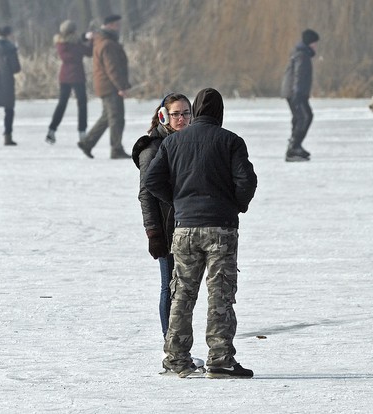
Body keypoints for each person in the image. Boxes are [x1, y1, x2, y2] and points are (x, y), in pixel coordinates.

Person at [144, 88, 257, 379]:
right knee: (220, 294)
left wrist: (179, 201)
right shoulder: (231, 141)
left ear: (194, 111)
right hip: (221, 229)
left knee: (182, 294)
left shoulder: (174, 142)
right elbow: (246, 181)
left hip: (184, 229)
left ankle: (176, 359)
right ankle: (220, 360)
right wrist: (235, 205)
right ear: (219, 113)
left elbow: (152, 180)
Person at [131, 93, 192, 339]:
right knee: (169, 286)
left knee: (185, 288)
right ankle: (171, 342)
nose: (181, 119)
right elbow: (146, 196)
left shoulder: (188, 143)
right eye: (176, 114)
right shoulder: (152, 149)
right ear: (163, 116)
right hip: (166, 228)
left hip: (189, 224)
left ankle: (181, 342)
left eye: (186, 113)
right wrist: (153, 233)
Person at [77, 14, 132, 159]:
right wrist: (121, 87)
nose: (119, 28)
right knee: (117, 118)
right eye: (117, 25)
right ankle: (116, 149)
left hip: (105, 85)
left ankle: (87, 143)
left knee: (107, 117)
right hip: (110, 86)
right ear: (110, 25)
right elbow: (112, 68)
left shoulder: (102, 41)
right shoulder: (107, 44)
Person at [44, 19, 92, 145]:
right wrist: (86, 41)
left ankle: (53, 130)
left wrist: (88, 39)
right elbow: (82, 53)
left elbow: (87, 51)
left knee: (69, 104)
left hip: (67, 76)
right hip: (73, 77)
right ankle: (79, 132)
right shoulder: (68, 44)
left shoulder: (68, 43)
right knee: (74, 104)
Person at [280, 29, 319, 162]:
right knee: (304, 117)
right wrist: (297, 94)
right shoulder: (302, 55)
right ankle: (294, 148)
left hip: (296, 92)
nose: (316, 46)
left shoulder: (302, 53)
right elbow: (298, 75)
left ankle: (296, 146)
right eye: (314, 43)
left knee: (302, 117)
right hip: (295, 93)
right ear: (309, 42)